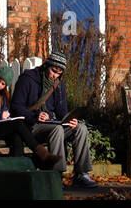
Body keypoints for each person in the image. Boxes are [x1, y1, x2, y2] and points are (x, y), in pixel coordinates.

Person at [10, 50, 99, 188]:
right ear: (47, 65)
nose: (54, 75)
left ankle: (81, 174)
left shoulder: (59, 85)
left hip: (51, 123)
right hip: (31, 125)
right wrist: (35, 116)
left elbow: (61, 111)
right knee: (57, 129)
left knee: (80, 128)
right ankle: (56, 174)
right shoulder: (27, 79)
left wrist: (70, 119)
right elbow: (16, 106)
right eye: (53, 70)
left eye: (59, 73)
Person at [0, 65, 59, 168]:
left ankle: (18, 171)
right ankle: (42, 154)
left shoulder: (2, 94)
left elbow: (3, 113)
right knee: (17, 125)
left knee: (16, 136)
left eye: (3, 84)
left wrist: (6, 117)